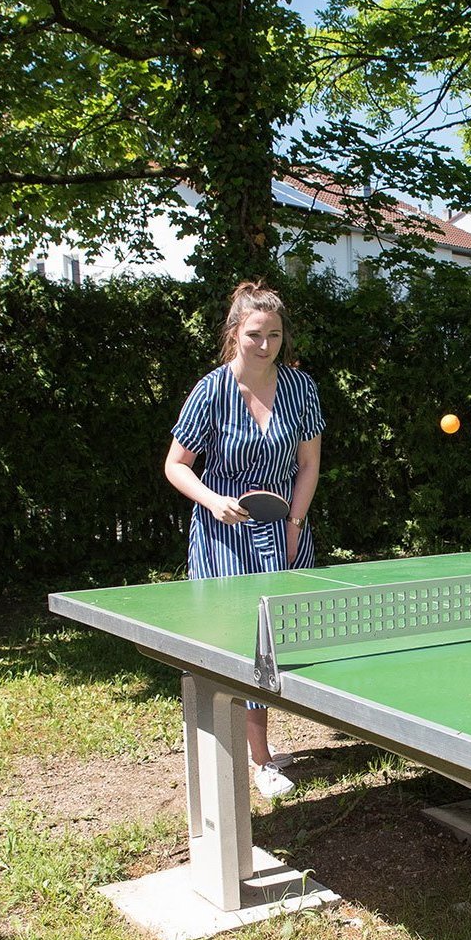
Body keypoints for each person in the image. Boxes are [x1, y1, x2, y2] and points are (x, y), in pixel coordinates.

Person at [164, 280, 324, 799]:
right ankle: (257, 760)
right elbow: (176, 465)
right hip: (222, 534)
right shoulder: (211, 389)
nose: (265, 344)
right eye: (256, 334)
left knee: (279, 646)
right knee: (235, 646)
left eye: (274, 335)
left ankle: (257, 747)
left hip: (281, 531)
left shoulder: (302, 388)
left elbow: (308, 464)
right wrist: (212, 500)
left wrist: (295, 525)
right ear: (235, 333)